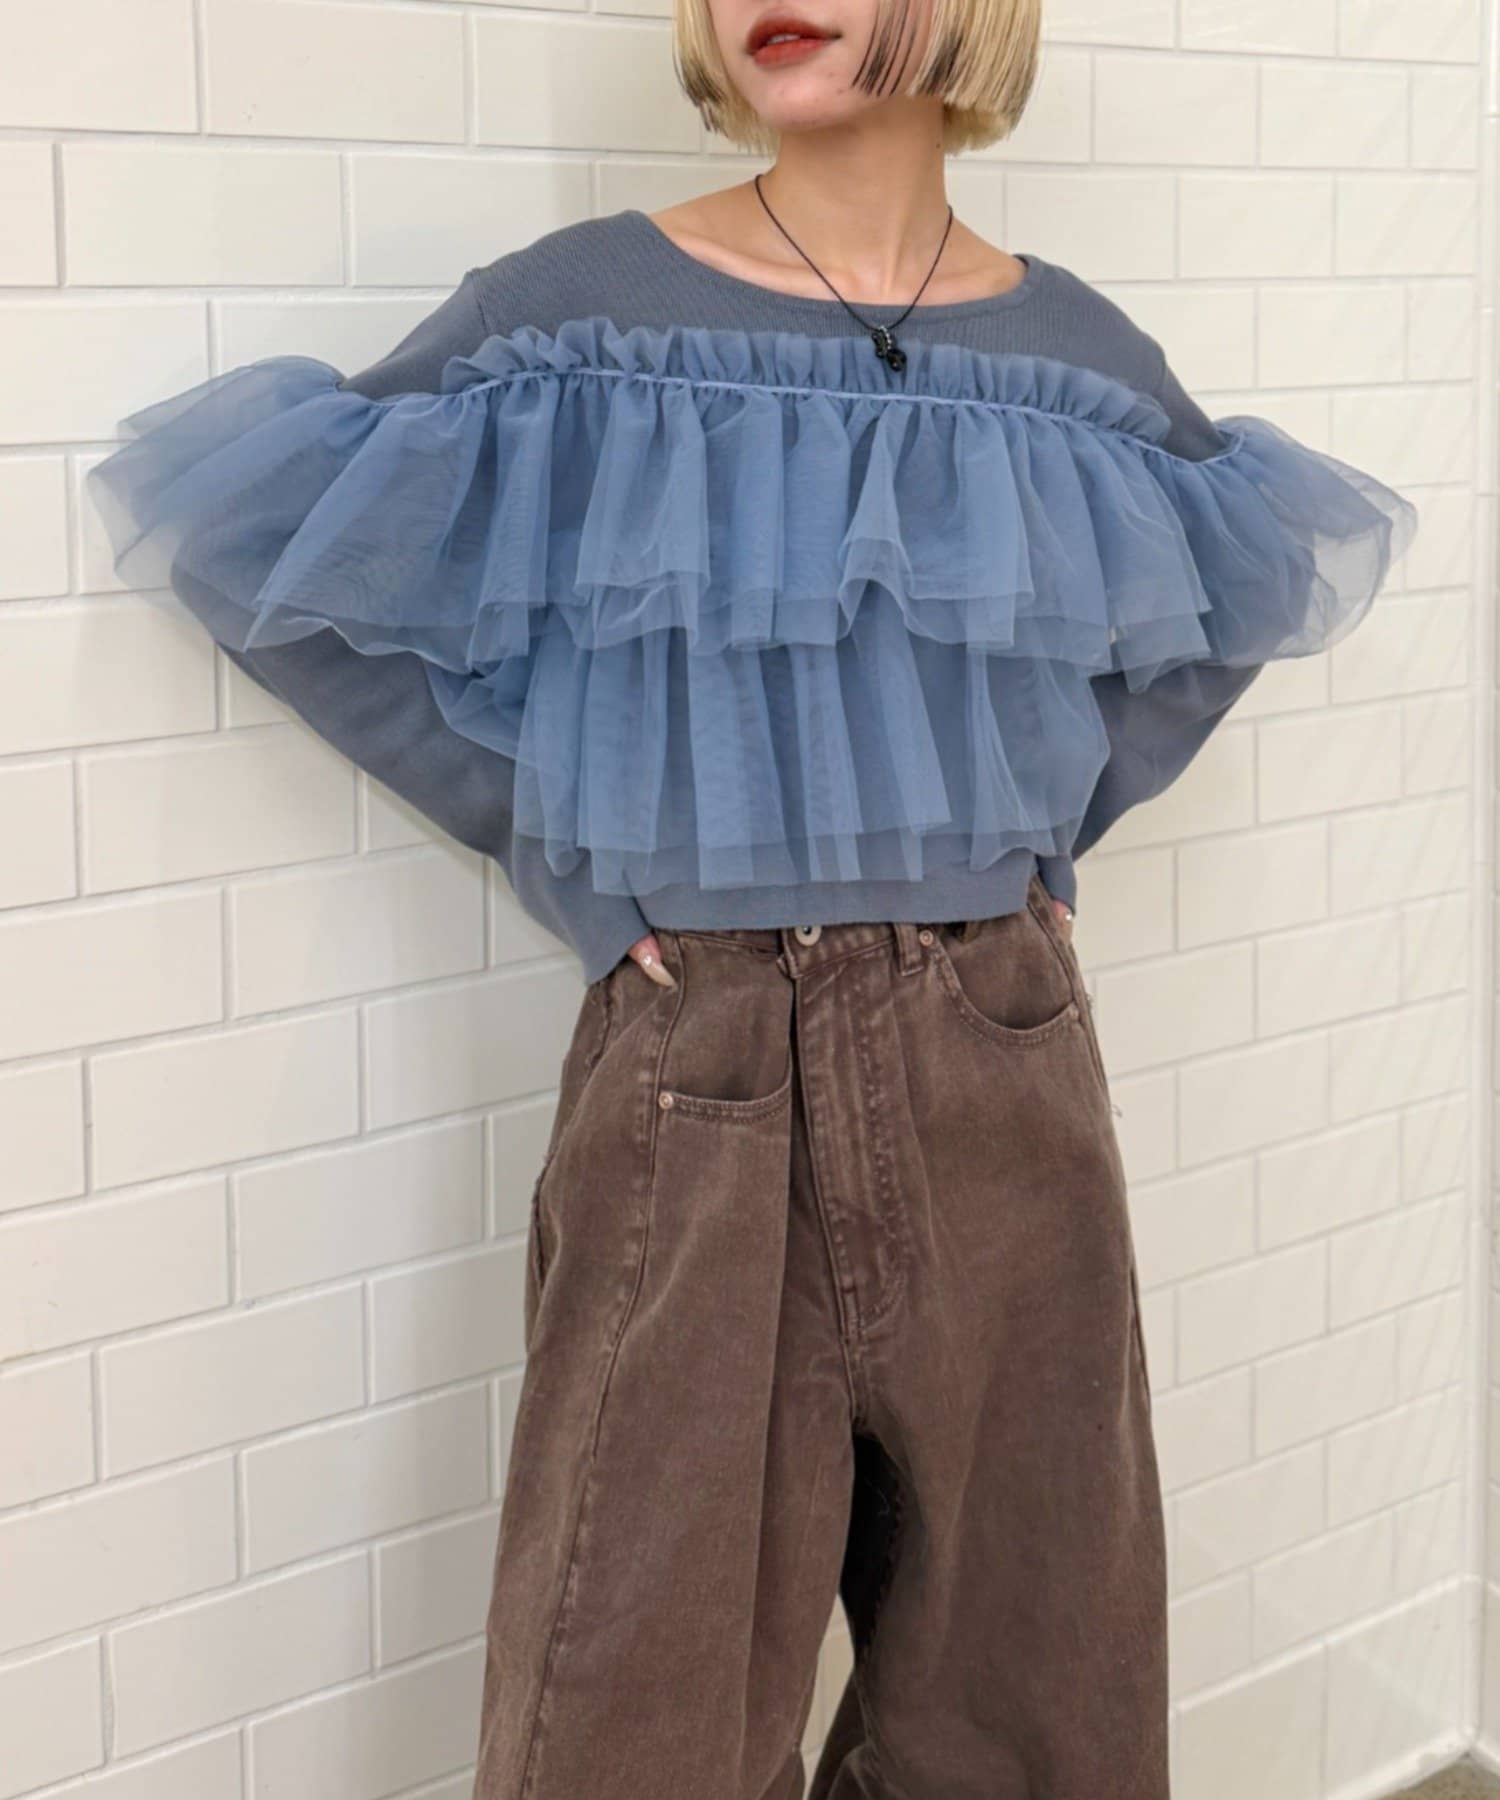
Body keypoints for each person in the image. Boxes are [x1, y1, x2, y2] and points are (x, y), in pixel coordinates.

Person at [85, 0, 1419, 1790]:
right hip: (698, 1060)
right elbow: (268, 547)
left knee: (1039, 1682)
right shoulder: (577, 318)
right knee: (633, 1702)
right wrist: (560, 842)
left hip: (1002, 1047)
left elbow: (1235, 574)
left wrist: (1045, 833)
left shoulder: (1078, 360)